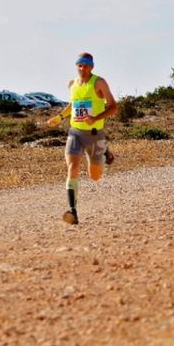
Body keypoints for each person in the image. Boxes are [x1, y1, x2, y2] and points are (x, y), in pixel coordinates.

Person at [47, 52, 117, 225]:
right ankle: (73, 211)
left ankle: (104, 150)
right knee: (73, 167)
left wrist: (95, 118)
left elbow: (114, 107)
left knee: (95, 175)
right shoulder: (72, 84)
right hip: (75, 132)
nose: (82, 68)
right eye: (79, 65)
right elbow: (73, 104)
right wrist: (59, 118)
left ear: (91, 67)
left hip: (95, 134)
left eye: (85, 65)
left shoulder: (99, 83)